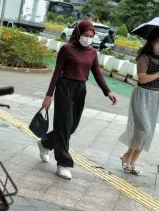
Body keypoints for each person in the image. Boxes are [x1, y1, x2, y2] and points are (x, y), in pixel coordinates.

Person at [38, 20, 118, 180]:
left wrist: (107, 91)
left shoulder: (92, 53)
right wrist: (49, 95)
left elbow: (97, 74)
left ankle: (45, 143)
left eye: (91, 36)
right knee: (64, 125)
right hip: (64, 88)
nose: (88, 38)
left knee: (71, 127)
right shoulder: (67, 49)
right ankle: (63, 163)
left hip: (80, 90)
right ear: (79, 33)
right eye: (85, 35)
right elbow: (56, 73)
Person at [119, 28, 159, 175]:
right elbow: (142, 78)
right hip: (141, 95)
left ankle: (132, 161)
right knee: (143, 130)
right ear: (153, 41)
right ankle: (126, 156)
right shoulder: (144, 58)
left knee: (147, 133)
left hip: (155, 97)